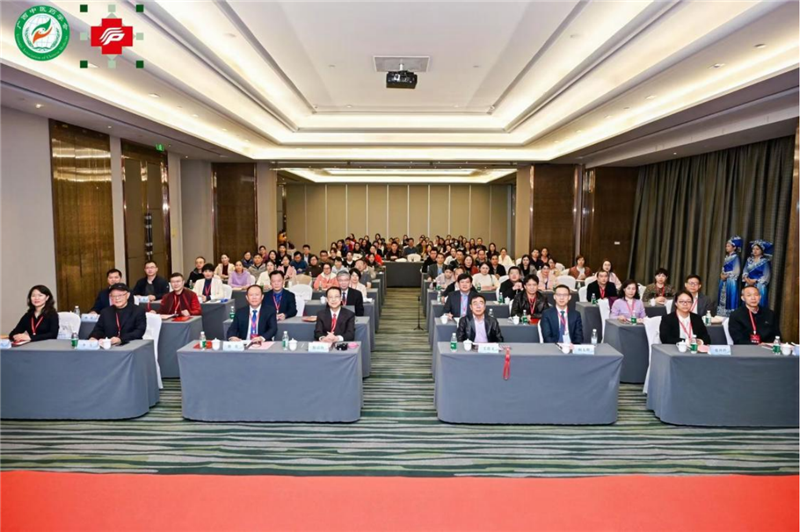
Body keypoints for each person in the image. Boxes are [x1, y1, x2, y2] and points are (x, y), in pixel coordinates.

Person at [717, 236, 743, 317]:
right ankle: (722, 314)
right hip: (724, 280)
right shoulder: (727, 257)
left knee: (730, 297)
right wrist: (722, 274)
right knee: (722, 297)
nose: (726, 247)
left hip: (730, 281)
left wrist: (726, 275)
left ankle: (729, 315)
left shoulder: (735, 257)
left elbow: (736, 271)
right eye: (726, 246)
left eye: (728, 246)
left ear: (734, 247)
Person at [742, 239, 772, 307]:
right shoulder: (749, 260)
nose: (755, 251)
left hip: (759, 285)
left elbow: (766, 275)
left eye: (757, 249)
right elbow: (745, 270)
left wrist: (755, 281)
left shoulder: (764, 261)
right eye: (753, 249)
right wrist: (746, 279)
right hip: (748, 283)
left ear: (761, 250)